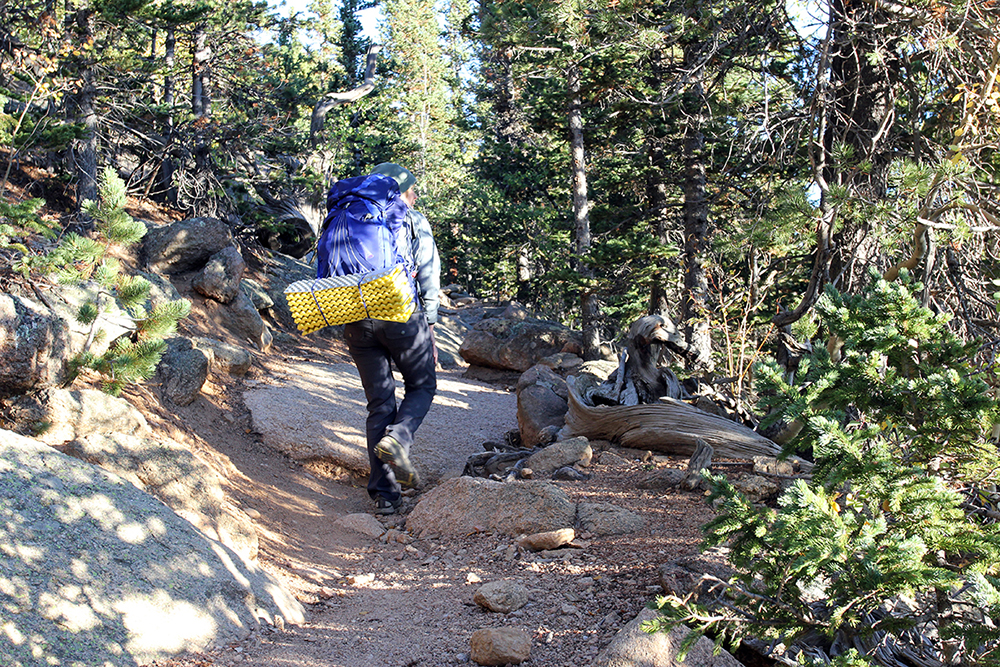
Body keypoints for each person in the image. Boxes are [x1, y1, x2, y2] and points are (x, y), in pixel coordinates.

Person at [341, 162, 441, 515]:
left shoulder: (350, 210)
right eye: (412, 190)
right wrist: (429, 326)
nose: (414, 196)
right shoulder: (411, 219)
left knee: (380, 403)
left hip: (353, 314)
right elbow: (428, 273)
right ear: (401, 192)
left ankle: (385, 497)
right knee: (422, 385)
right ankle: (398, 439)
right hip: (400, 312)